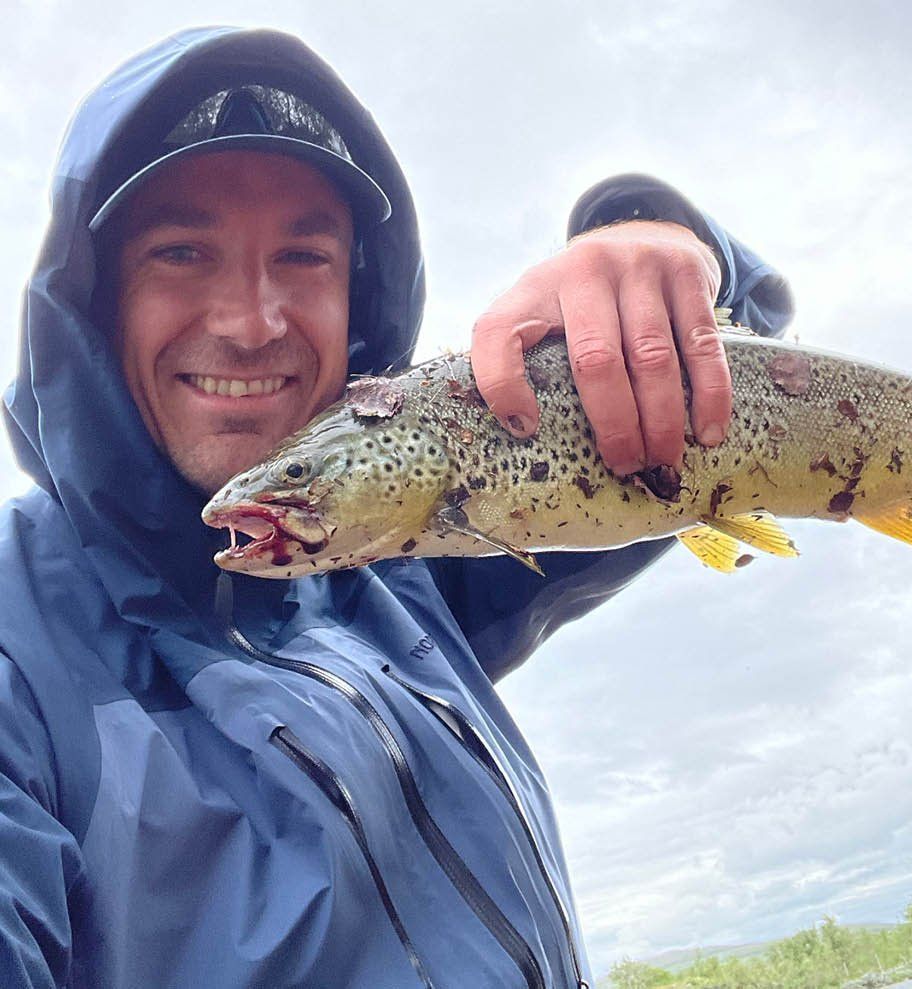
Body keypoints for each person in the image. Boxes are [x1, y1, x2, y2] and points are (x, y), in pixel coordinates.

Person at [0, 27, 792, 989]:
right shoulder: (17, 644)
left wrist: (656, 239)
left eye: (304, 255)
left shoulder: (407, 566)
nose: (252, 323)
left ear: (359, 301)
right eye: (179, 251)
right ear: (90, 299)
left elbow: (729, 392)